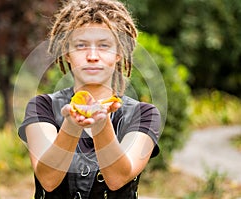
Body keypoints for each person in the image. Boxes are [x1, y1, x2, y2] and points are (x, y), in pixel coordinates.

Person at [18, 0, 161, 198]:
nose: (92, 56)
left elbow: (118, 178)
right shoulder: (41, 107)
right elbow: (48, 180)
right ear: (67, 53)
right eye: (81, 45)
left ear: (119, 53)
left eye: (104, 45)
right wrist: (72, 126)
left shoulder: (144, 114)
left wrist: (101, 124)